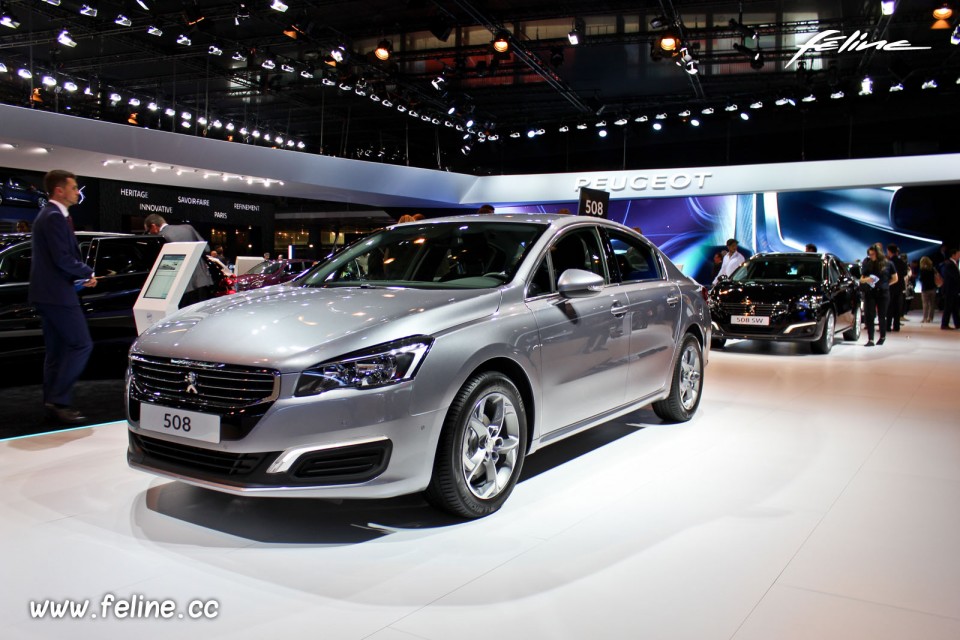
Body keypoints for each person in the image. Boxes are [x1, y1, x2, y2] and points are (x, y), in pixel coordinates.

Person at [28, 170, 98, 425]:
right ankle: (59, 400)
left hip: (47, 293)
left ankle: (51, 403)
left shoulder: (50, 215)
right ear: (59, 190)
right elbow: (62, 258)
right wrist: (87, 271)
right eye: (73, 187)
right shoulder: (54, 217)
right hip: (57, 294)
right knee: (81, 344)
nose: (77, 192)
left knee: (57, 351)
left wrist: (79, 276)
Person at [143, 214, 214, 307]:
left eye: (149, 231)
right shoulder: (188, 228)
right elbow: (206, 249)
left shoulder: (161, 238)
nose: (150, 233)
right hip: (201, 281)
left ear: (154, 226)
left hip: (180, 288)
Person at [860, 243, 896, 346]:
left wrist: (885, 284)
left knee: (882, 315)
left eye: (872, 254)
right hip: (870, 292)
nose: (871, 256)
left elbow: (895, 278)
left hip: (883, 293)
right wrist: (867, 279)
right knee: (870, 315)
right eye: (870, 254)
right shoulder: (867, 263)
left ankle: (882, 336)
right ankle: (870, 339)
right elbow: (861, 279)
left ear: (878, 253)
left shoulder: (888, 264)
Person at [885, 244, 908, 332]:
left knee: (889, 307)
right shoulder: (901, 262)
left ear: (889, 251)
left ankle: (888, 326)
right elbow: (905, 273)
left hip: (891, 286)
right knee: (897, 307)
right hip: (899, 287)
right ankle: (896, 326)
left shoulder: (889, 262)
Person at [939, 247, 960, 330]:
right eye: (958, 254)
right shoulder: (949, 264)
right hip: (950, 289)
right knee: (948, 307)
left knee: (955, 307)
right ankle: (944, 324)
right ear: (953, 255)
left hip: (953, 290)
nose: (959, 256)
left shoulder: (953, 264)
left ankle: (957, 323)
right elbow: (955, 277)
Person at [918, 256, 938, 323]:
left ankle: (925, 318)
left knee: (925, 304)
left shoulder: (922, 270)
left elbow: (921, 279)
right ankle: (930, 318)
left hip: (925, 289)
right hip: (933, 288)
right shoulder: (933, 269)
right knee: (932, 304)